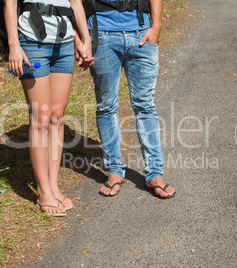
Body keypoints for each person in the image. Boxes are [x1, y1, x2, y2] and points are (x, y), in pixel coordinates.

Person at [75, 0, 176, 198]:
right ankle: (114, 170)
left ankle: (154, 173)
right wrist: (80, 40)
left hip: (141, 33)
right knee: (106, 106)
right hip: (100, 34)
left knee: (145, 105)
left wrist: (156, 26)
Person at [4, 0, 93, 215]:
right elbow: (9, 4)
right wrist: (14, 46)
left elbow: (75, 3)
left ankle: (54, 186)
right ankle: (43, 191)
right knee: (41, 118)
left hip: (64, 43)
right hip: (32, 41)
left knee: (57, 117)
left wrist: (85, 39)